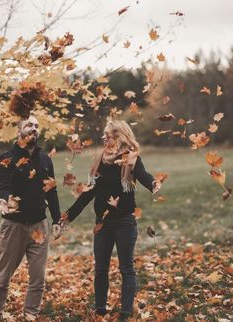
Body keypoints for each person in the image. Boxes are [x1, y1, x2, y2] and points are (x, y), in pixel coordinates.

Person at [61, 120, 161, 320]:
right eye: (104, 134)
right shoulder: (101, 160)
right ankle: (100, 311)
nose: (104, 138)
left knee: (127, 269)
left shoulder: (131, 159)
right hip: (102, 224)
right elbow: (89, 193)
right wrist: (68, 216)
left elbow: (141, 174)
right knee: (100, 269)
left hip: (125, 222)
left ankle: (125, 313)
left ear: (119, 136)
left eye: (108, 134)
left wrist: (153, 184)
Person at [0, 115, 62, 321]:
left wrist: (57, 220)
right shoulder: (6, 158)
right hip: (13, 225)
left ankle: (30, 315)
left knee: (38, 279)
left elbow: (51, 191)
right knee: (1, 277)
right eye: (29, 125)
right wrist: (4, 199)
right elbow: (4, 185)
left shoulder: (45, 160)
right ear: (19, 131)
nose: (33, 128)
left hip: (39, 226)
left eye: (36, 125)